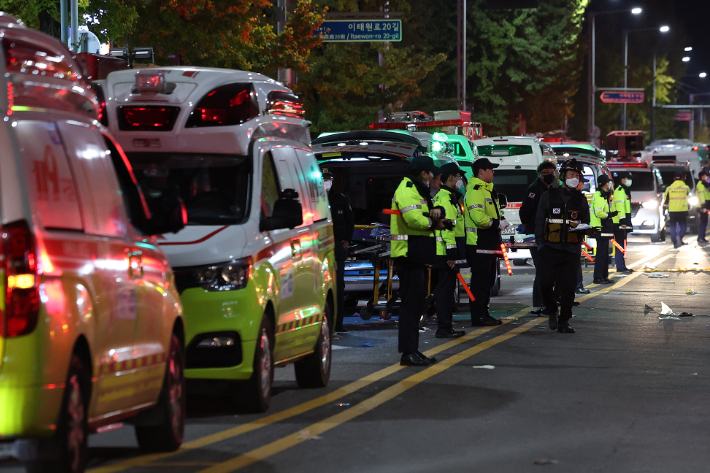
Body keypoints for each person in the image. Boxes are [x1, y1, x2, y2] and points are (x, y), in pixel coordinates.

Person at [390, 155, 448, 366]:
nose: (434, 176)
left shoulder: (418, 190)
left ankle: (413, 350)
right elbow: (413, 219)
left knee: (416, 307)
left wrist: (438, 215)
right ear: (424, 173)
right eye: (432, 172)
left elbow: (429, 211)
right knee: (410, 306)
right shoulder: (407, 188)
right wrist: (434, 224)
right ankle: (408, 352)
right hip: (408, 254)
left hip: (417, 255)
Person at [535, 158, 591, 334]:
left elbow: (586, 222)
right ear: (563, 176)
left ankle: (564, 321)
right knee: (544, 284)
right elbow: (539, 220)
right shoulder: (549, 196)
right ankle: (551, 310)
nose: (574, 178)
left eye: (577, 175)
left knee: (568, 288)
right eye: (571, 174)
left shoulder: (581, 199)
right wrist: (540, 244)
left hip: (571, 250)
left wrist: (587, 231)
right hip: (550, 248)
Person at [465, 158, 509, 327]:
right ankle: (478, 316)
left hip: (489, 244)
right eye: (490, 169)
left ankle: (484, 313)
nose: (493, 172)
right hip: (479, 244)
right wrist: (498, 223)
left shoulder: (487, 190)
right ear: (481, 171)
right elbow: (478, 218)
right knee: (480, 283)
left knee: (488, 281)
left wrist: (500, 221)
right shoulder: (476, 190)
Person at [433, 163, 466, 339]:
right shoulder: (445, 198)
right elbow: (448, 227)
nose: (460, 180)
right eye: (459, 176)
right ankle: (443, 328)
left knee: (446, 290)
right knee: (445, 292)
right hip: (445, 253)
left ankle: (446, 326)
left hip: (445, 251)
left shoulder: (449, 197)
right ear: (451, 177)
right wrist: (452, 254)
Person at [519, 160, 557, 314]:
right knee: (542, 271)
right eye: (546, 173)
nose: (549, 175)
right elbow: (524, 211)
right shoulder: (535, 189)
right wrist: (530, 229)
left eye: (552, 172)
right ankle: (539, 304)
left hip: (548, 235)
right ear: (540, 174)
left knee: (545, 271)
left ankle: (543, 303)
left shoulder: (550, 188)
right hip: (537, 236)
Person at [323, 171, 354, 334]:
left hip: (336, 246)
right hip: (319, 247)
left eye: (328, 179)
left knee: (337, 286)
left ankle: (338, 323)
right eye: (323, 180)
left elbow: (350, 220)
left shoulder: (340, 199)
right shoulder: (314, 198)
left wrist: (348, 239)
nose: (326, 182)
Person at [590, 174, 616, 284]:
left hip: (603, 228)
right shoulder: (599, 196)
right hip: (599, 228)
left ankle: (604, 276)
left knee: (605, 254)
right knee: (601, 254)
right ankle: (598, 277)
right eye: (609, 182)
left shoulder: (604, 195)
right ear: (605, 184)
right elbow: (599, 213)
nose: (610, 184)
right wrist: (610, 215)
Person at [611, 172, 632, 274]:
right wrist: (623, 221)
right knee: (620, 245)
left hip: (623, 222)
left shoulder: (624, 191)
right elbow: (620, 208)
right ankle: (620, 266)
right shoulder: (619, 191)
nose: (629, 181)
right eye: (628, 179)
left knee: (622, 245)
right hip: (619, 222)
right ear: (622, 179)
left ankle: (622, 265)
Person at [664, 171, 691, 249]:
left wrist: (664, 209)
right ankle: (680, 237)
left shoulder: (669, 188)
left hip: (672, 210)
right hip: (683, 210)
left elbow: (665, 200)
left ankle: (674, 242)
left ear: (674, 179)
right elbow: (688, 197)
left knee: (673, 227)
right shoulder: (686, 188)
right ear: (683, 179)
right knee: (683, 226)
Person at [696, 171, 709, 243]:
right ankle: (701, 237)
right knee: (703, 222)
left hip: (704, 205)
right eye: (705, 176)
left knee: (704, 222)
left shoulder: (704, 184)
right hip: (702, 206)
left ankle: (701, 237)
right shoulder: (700, 184)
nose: (706, 177)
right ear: (701, 176)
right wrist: (703, 206)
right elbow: (702, 196)